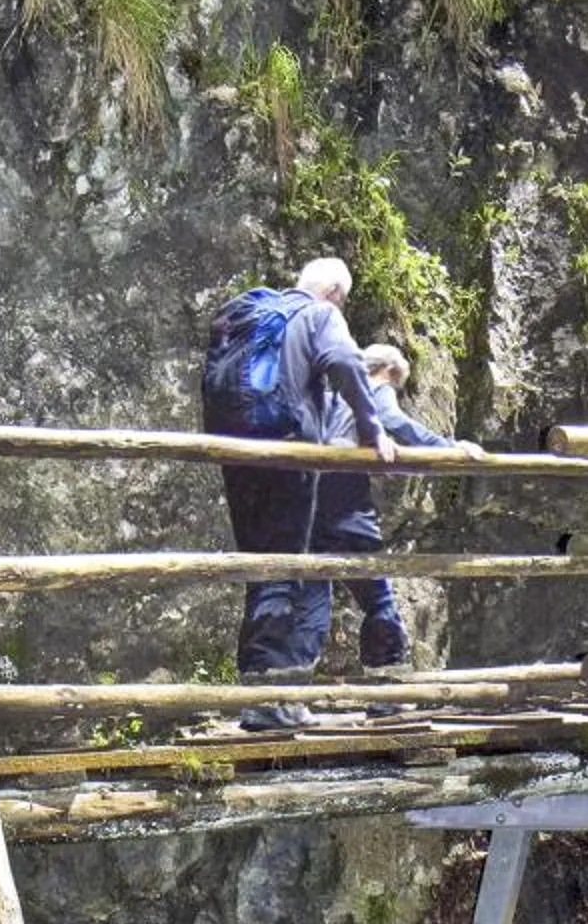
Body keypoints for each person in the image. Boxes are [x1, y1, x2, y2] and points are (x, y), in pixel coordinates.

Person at [200, 256, 396, 727]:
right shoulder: (319, 315)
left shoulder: (251, 315)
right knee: (285, 573)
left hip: (237, 454)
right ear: (334, 293)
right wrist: (373, 430)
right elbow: (345, 362)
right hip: (288, 454)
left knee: (267, 568)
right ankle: (272, 700)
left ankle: (268, 694)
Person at [314, 343, 477, 672]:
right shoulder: (374, 385)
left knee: (304, 593)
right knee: (379, 601)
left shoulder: (333, 395)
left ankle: (279, 693)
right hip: (346, 505)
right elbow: (391, 419)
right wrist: (448, 449)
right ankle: (386, 688)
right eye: (396, 384)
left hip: (308, 504)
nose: (394, 391)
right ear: (387, 371)